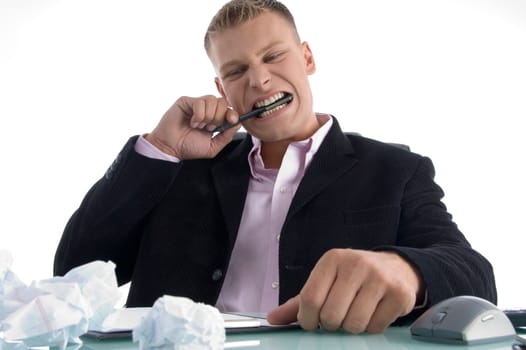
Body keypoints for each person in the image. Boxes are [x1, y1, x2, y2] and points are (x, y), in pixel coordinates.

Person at [54, 0, 497, 334]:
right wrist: (159, 149)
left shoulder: (395, 169)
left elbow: (474, 277)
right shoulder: (179, 167)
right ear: (221, 87)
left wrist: (408, 271)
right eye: (236, 70)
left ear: (307, 58)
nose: (259, 80)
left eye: (273, 56)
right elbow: (74, 269)